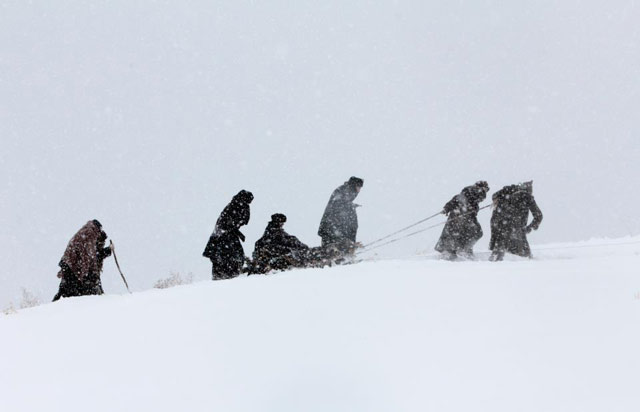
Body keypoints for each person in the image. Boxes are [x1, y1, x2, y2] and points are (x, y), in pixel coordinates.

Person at [53, 219, 112, 301]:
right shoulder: (89, 234)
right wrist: (89, 275)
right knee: (73, 295)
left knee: (66, 294)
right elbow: (90, 256)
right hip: (74, 270)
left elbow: (94, 255)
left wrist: (107, 251)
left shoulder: (85, 233)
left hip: (70, 267)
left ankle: (51, 309)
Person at [203, 190, 254, 280]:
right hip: (224, 238)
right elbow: (227, 224)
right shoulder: (236, 207)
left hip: (223, 238)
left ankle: (229, 276)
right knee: (229, 259)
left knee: (230, 259)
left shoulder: (235, 206)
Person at [489, 181, 543, 261]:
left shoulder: (505, 193)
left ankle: (494, 262)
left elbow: (494, 197)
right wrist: (530, 227)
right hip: (516, 228)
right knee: (523, 256)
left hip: (500, 226)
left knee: (498, 252)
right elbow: (538, 215)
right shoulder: (527, 197)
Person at [435, 181, 490, 259]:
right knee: (462, 233)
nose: (485, 194)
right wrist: (446, 209)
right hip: (458, 218)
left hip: (466, 219)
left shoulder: (471, 196)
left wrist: (446, 209)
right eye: (485, 190)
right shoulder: (469, 194)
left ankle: (463, 249)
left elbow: (455, 202)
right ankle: (457, 250)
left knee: (474, 232)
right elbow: (454, 202)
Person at [318, 176, 364, 256]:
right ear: (354, 185)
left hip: (332, 230)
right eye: (359, 187)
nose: (359, 190)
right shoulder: (343, 191)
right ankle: (343, 255)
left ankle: (344, 253)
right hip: (332, 231)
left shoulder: (345, 193)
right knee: (330, 250)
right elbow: (337, 206)